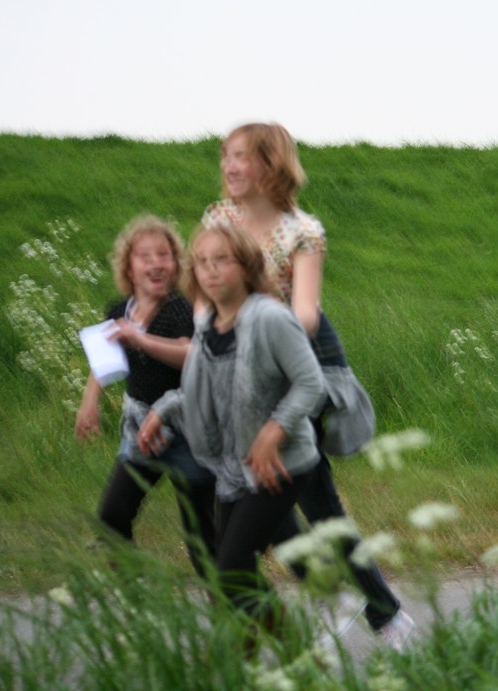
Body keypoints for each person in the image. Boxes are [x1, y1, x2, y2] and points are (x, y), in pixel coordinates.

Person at [201, 122, 415, 650]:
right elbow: (205, 301)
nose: (229, 166)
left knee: (304, 496)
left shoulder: (302, 231)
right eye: (225, 156)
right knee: (279, 491)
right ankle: (370, 609)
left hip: (301, 362)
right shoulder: (218, 220)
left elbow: (306, 314)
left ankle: (369, 609)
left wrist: (247, 330)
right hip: (243, 368)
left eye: (241, 156)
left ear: (271, 164)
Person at [139, 223, 324, 648]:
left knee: (231, 568)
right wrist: (162, 411)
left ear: (246, 265)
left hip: (282, 463)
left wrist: (274, 431)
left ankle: (297, 654)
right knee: (226, 572)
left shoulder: (271, 319)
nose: (210, 270)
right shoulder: (208, 327)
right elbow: (204, 391)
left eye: (221, 260)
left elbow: (310, 382)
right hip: (234, 466)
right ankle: (242, 652)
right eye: (202, 262)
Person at [74, 215, 216, 577]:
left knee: (203, 539)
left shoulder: (180, 308)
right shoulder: (119, 311)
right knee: (112, 516)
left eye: (164, 255)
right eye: (145, 256)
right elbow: (105, 361)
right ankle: (134, 592)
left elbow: (190, 352)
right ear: (129, 268)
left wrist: (140, 339)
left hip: (188, 430)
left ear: (176, 264)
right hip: (141, 428)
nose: (156, 263)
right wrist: (89, 402)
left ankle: (232, 605)